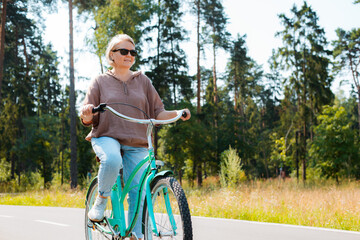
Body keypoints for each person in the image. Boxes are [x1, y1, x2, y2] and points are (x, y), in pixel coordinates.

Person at [80, 34, 191, 240]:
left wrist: (177, 113)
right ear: (112, 55)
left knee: (138, 193)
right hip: (107, 136)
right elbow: (87, 115)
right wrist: (87, 115)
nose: (129, 55)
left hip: (138, 140)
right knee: (112, 159)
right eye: (124, 51)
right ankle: (101, 201)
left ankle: (135, 235)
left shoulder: (143, 81)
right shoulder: (100, 81)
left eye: (133, 52)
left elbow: (158, 112)